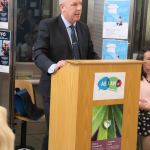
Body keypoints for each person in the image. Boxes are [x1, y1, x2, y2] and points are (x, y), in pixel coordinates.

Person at [33, 0, 99, 149]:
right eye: (74, 4)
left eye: (81, 4)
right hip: (56, 89)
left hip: (81, 91)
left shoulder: (83, 28)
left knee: (76, 132)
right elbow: (38, 53)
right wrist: (53, 66)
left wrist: (103, 66)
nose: (79, 8)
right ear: (62, 7)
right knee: (55, 133)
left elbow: (90, 54)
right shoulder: (48, 25)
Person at [137, 48, 150, 150]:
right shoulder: (135, 78)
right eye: (148, 59)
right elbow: (130, 99)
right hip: (143, 114)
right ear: (141, 61)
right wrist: (145, 106)